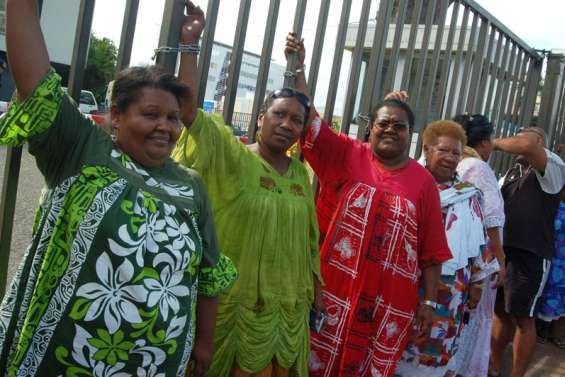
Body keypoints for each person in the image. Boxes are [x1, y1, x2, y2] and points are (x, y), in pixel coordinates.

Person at [0, 1, 236, 376]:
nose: (165, 127)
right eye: (150, 114)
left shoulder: (190, 186)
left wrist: (204, 343)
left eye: (173, 118)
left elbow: (209, 275)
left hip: (156, 363)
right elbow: (36, 83)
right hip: (67, 358)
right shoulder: (82, 148)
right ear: (117, 114)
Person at [286, 35, 452, 377]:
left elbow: (432, 252)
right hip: (331, 294)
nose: (390, 129)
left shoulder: (423, 183)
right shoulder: (348, 155)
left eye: (399, 125)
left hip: (389, 307)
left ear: (411, 134)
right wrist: (298, 67)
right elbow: (310, 122)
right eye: (383, 123)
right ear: (370, 128)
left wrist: (430, 302)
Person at [172, 5, 323, 376]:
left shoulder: (301, 176)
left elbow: (307, 242)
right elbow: (190, 113)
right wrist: (190, 45)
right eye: (279, 115)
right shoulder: (233, 158)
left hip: (288, 316)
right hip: (234, 314)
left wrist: (314, 294)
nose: (287, 125)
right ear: (260, 118)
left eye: (296, 121)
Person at [394, 120, 489, 377]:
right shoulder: (408, 186)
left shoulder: (468, 194)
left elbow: (479, 241)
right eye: (443, 150)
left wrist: (477, 283)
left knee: (438, 346)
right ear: (427, 150)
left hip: (452, 290)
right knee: (402, 343)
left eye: (455, 152)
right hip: (410, 281)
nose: (449, 157)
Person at [489, 126, 565, 377]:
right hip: (505, 253)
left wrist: (493, 142)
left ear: (539, 140)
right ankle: (494, 363)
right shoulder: (513, 173)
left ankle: (517, 374)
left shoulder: (552, 167)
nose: (516, 140)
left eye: (523, 134)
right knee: (501, 311)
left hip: (530, 255)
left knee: (523, 317)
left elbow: (528, 147)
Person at [452, 114, 504, 377]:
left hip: (453, 259)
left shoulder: (452, 161)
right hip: (477, 262)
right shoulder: (478, 167)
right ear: (483, 141)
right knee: (475, 318)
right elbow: (492, 219)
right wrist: (501, 262)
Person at [537, 189, 565, 349]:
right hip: (553, 258)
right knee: (549, 290)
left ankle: (555, 331)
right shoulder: (553, 207)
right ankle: (542, 329)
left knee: (561, 294)